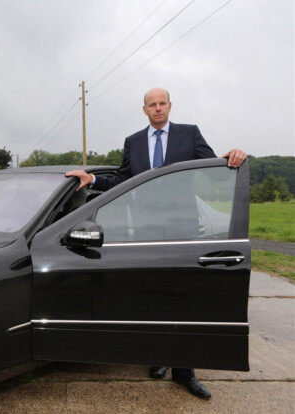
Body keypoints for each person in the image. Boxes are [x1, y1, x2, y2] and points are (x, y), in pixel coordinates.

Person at [66, 87, 247, 400]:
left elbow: (215, 172)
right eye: (152, 104)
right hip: (147, 231)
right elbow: (123, 180)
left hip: (184, 230)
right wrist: (92, 179)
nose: (158, 108)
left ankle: (185, 372)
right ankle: (160, 354)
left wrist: (232, 158)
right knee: (153, 295)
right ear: (145, 110)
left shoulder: (190, 135)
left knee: (184, 298)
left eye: (162, 103)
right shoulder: (133, 142)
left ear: (170, 106)